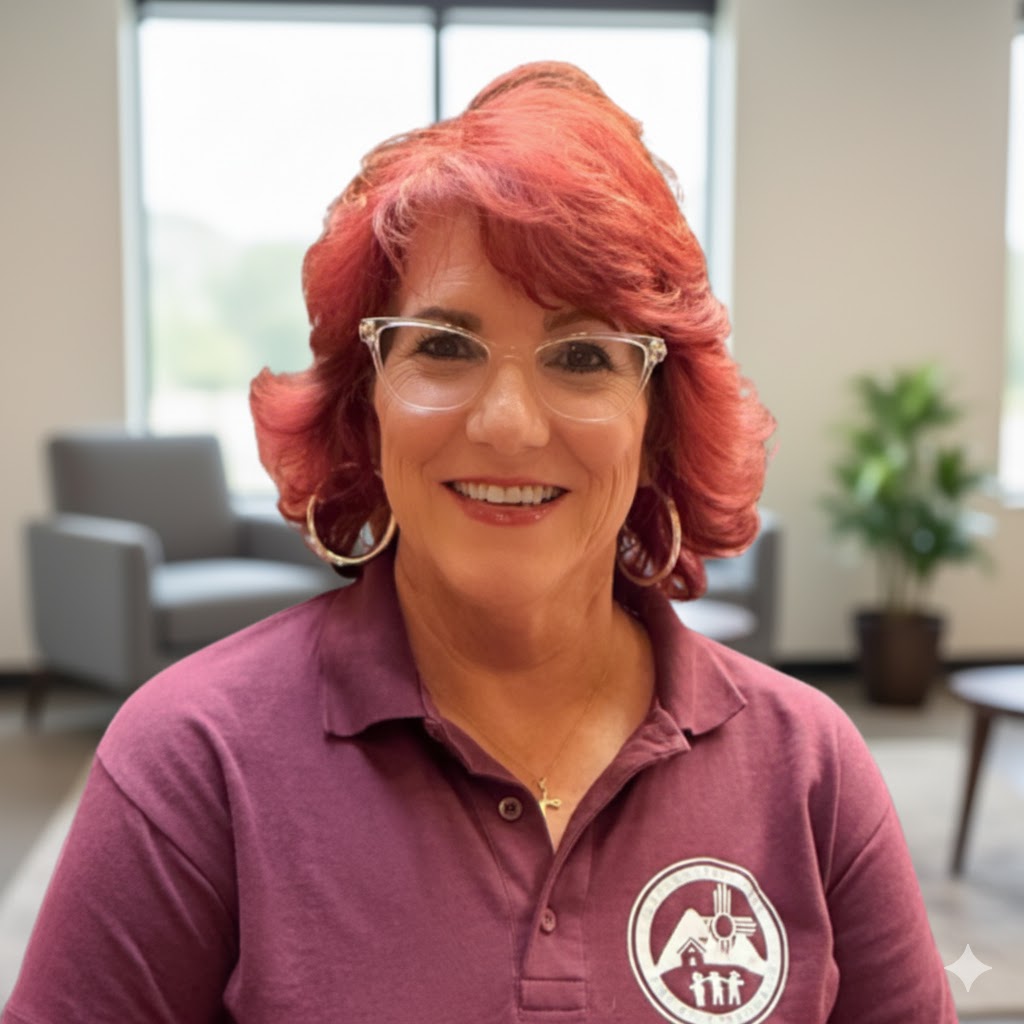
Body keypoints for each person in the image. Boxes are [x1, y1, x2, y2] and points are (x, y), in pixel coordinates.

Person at [4, 62, 955, 1023]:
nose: (507, 424)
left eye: (584, 356)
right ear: (366, 403)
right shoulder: (193, 761)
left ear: (655, 420)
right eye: (444, 346)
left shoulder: (808, 768)